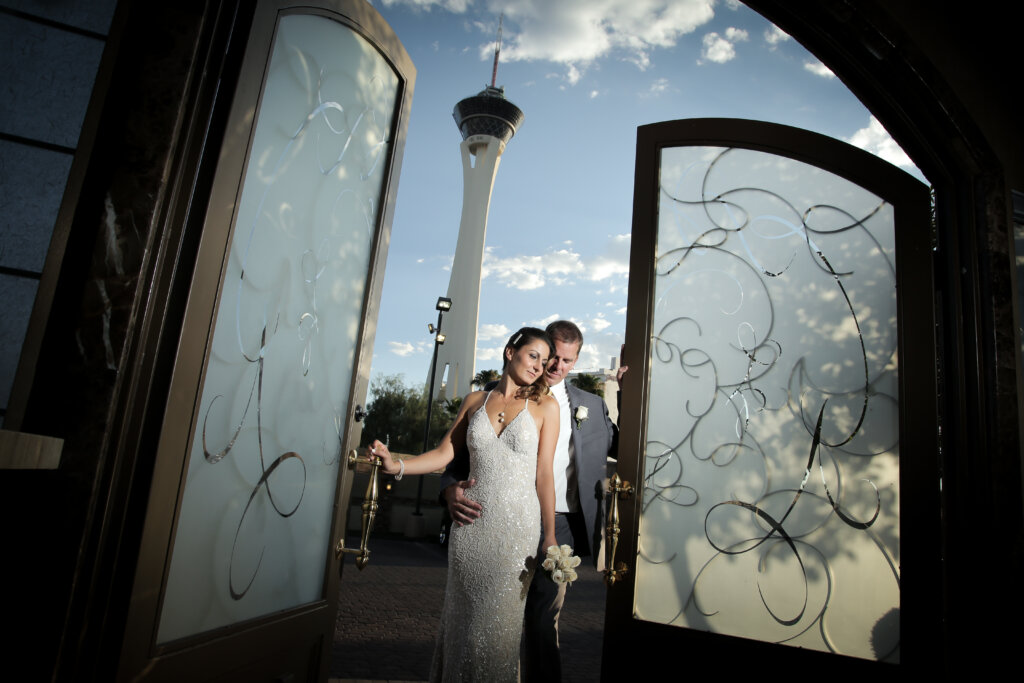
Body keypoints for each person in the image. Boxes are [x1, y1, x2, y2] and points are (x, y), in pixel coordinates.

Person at [366, 327, 561, 683]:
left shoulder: (546, 406)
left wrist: (549, 535)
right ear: (510, 351)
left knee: (497, 633)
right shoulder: (474, 401)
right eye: (533, 355)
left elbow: (544, 474)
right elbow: (444, 453)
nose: (539, 366)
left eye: (544, 361)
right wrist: (397, 465)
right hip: (470, 531)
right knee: (462, 625)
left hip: (517, 533)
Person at [440, 320, 623, 683]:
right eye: (552, 356)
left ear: (575, 362)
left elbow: (625, 446)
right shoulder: (491, 397)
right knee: (489, 615)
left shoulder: (592, 405)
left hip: (561, 525)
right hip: (498, 519)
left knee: (542, 622)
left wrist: (628, 395)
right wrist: (448, 489)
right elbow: (459, 454)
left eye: (567, 361)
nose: (556, 366)